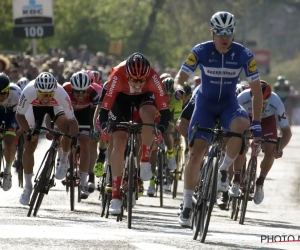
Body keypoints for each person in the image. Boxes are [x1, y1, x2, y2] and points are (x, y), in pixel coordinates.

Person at [174, 11, 263, 227]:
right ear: (212, 33)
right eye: (220, 32)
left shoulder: (243, 54)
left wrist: (258, 122)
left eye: (229, 32)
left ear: (233, 33)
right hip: (204, 105)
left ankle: (223, 169)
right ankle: (186, 206)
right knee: (195, 154)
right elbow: (181, 76)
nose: (225, 37)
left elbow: (257, 92)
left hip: (228, 106)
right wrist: (178, 87)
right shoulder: (201, 50)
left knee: (242, 124)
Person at [99, 52, 171, 215]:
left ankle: (145, 158)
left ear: (148, 76)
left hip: (144, 99)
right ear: (127, 75)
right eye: (134, 80)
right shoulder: (117, 75)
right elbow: (104, 109)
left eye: (142, 80)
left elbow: (165, 111)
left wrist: (159, 129)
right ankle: (115, 197)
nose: (138, 84)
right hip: (120, 100)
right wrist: (104, 126)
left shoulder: (153, 77)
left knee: (148, 115)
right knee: (119, 140)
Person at [16, 72, 79, 205]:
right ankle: (27, 188)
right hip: (33, 109)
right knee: (29, 145)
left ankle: (63, 160)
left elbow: (73, 121)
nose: (45, 98)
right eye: (42, 94)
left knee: (66, 129)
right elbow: (19, 115)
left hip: (55, 107)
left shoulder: (61, 93)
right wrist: (29, 132)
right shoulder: (28, 91)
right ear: (36, 90)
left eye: (49, 94)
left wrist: (73, 138)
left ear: (54, 91)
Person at [229, 80, 292, 203]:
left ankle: (260, 183)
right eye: (258, 101)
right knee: (240, 145)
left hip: (267, 121)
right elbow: (230, 120)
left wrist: (279, 149)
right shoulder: (243, 97)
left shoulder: (276, 101)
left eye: (264, 102)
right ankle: (236, 180)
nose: (261, 105)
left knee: (271, 150)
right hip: (246, 118)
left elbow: (287, 132)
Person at [63, 71, 100, 198]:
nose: (81, 94)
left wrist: (96, 128)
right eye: (77, 91)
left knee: (85, 143)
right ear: (72, 88)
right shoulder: (65, 90)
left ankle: (83, 182)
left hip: (85, 115)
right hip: (69, 113)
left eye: (83, 91)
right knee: (66, 136)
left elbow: (98, 112)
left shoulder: (93, 92)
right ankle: (64, 163)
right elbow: (56, 109)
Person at [0, 73, 21, 191]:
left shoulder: (17, 93)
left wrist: (21, 128)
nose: (0, 97)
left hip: (13, 115)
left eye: (3, 93)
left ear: (8, 89)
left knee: (9, 142)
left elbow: (25, 112)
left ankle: (7, 171)